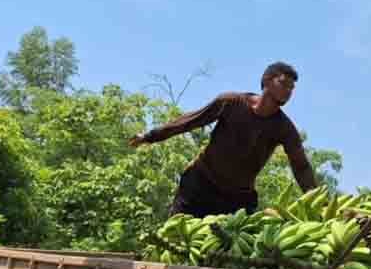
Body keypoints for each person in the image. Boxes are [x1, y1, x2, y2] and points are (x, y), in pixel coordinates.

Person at [129, 62, 317, 217]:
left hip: (237, 198)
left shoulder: (285, 129)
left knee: (229, 252)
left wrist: (318, 202)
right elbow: (190, 121)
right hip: (200, 184)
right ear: (266, 81)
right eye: (283, 84)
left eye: (291, 88)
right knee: (176, 235)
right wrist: (150, 136)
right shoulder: (231, 102)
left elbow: (301, 167)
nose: (288, 91)